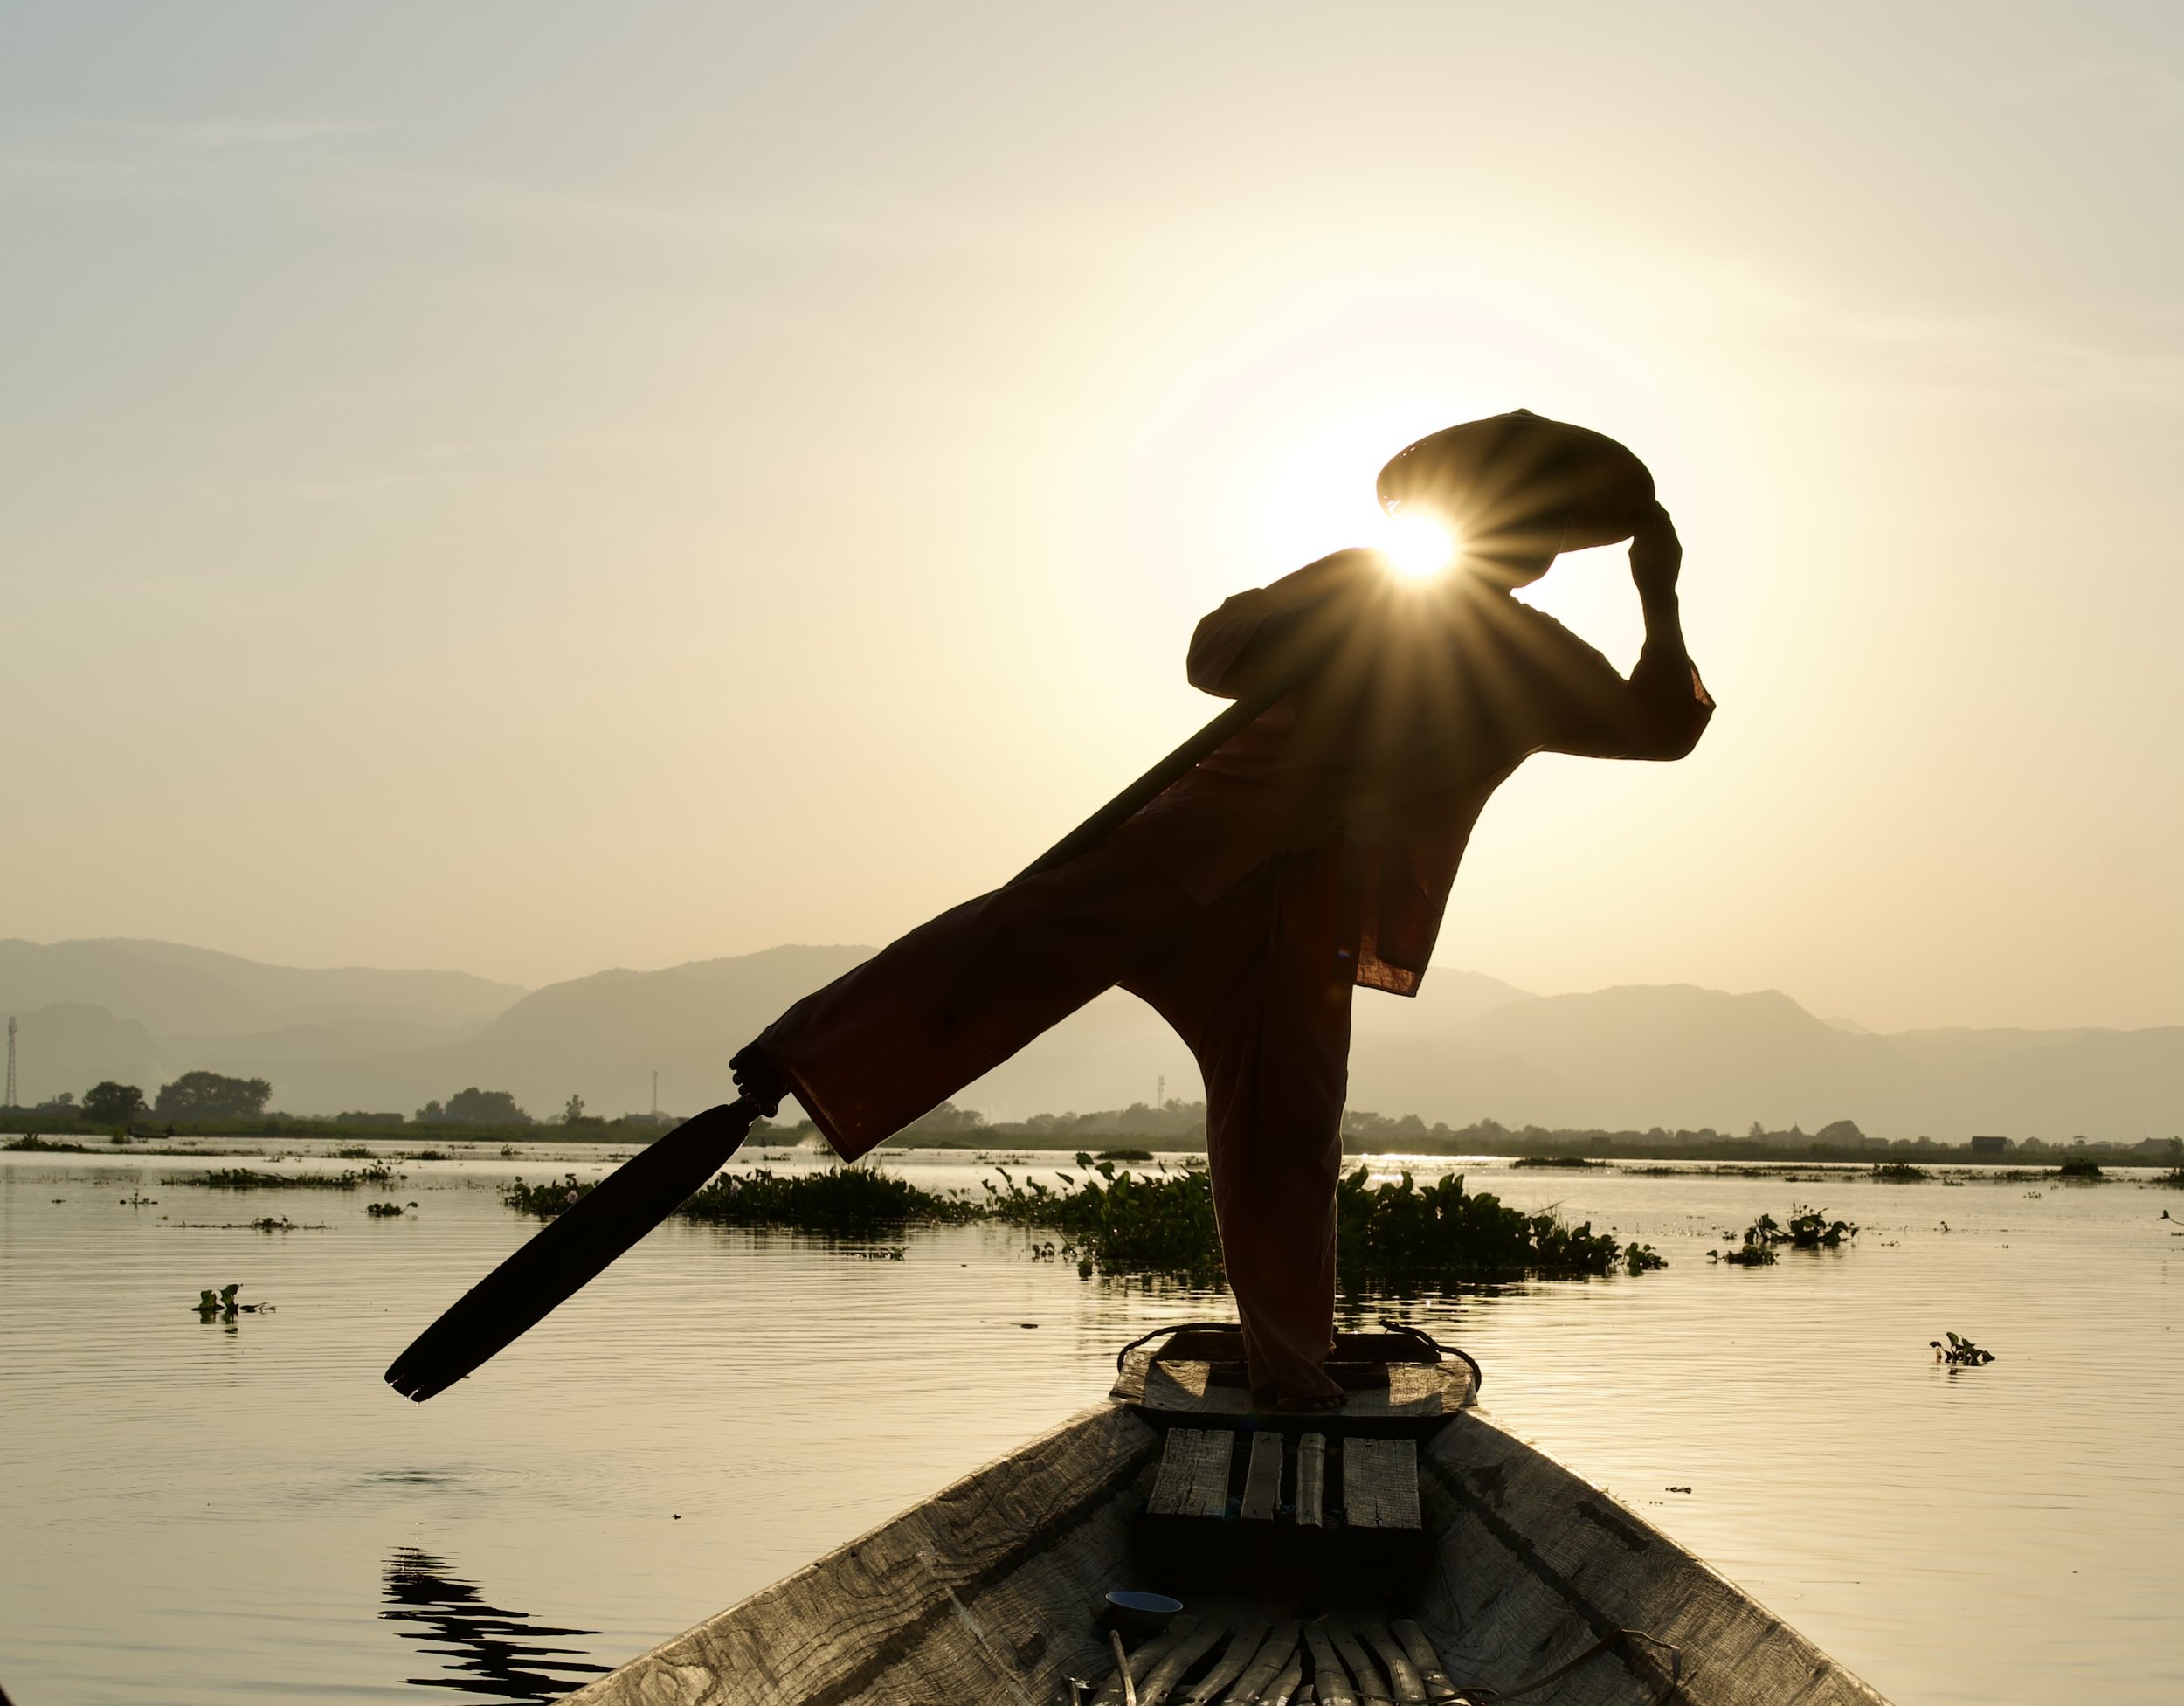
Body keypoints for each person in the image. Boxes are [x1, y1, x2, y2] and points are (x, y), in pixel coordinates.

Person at [730, 411, 1713, 1408]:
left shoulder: (1535, 659)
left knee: (1289, 1137)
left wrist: (1659, 599)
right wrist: (1326, 622)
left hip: (1306, 918)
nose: (1534, 546)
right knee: (1021, 936)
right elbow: (1215, 652)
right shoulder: (1366, 583)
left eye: (1548, 530)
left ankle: (1291, 1366)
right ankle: (799, 1057)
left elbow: (1661, 730)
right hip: (1194, 844)